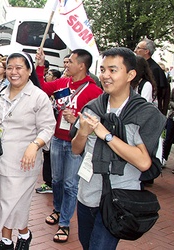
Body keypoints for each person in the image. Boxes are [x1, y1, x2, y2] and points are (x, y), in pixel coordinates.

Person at [71, 47, 165, 250]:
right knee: (87, 244)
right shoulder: (93, 107)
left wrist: (105, 134)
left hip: (119, 199)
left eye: (113, 70)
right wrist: (84, 133)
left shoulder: (142, 114)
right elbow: (76, 149)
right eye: (103, 69)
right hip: (87, 193)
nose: (105, 76)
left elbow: (143, 162)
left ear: (130, 74)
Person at [0, 52, 56, 250]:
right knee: (0, 200)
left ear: (29, 70)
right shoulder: (1, 92)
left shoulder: (38, 97)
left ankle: (24, 235)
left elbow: (48, 127)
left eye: (18, 68)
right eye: (9, 67)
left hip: (24, 161)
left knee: (15, 203)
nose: (13, 72)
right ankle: (7, 241)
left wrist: (35, 145)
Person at [35, 48, 103, 243]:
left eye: (70, 61)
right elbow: (41, 88)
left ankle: (64, 223)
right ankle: (57, 209)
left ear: (81, 65)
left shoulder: (94, 91)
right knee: (56, 179)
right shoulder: (62, 83)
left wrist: (77, 121)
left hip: (75, 144)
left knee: (70, 184)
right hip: (57, 138)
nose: (66, 64)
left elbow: (96, 122)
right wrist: (40, 66)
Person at [35, 68, 62, 195]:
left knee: (68, 182)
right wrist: (39, 67)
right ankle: (49, 183)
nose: (47, 76)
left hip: (68, 135)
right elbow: (41, 86)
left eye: (50, 74)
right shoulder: (54, 90)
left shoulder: (92, 88)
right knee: (48, 158)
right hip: (54, 134)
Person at [135, 38, 170, 115]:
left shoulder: (154, 69)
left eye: (138, 48)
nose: (135, 51)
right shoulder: (142, 66)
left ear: (146, 51)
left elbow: (158, 94)